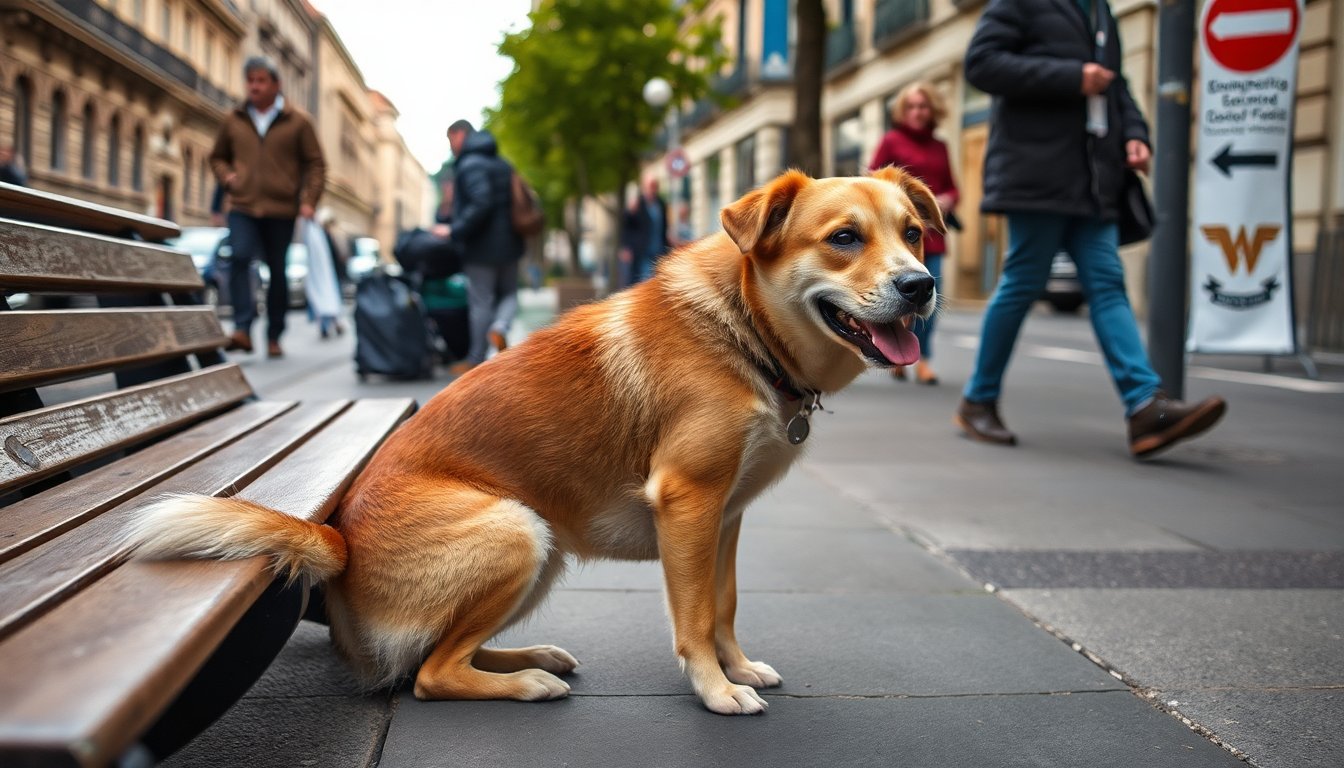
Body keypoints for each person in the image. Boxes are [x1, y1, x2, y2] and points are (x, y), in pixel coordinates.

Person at [958, 0, 1226, 459]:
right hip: (1038, 174)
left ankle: (1146, 406)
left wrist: (1135, 135)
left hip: (1094, 177)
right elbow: (982, 64)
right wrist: (1071, 77)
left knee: (1107, 282)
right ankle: (978, 400)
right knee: (1022, 283)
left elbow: (1115, 88)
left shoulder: (1100, 10)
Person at [209, 55, 326, 359]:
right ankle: (242, 329)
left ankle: (274, 335)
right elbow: (217, 156)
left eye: (261, 81)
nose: (255, 87)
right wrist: (227, 176)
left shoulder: (298, 121)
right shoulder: (234, 119)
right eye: (250, 81)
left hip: (281, 209)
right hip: (243, 205)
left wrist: (309, 201)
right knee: (239, 257)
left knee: (277, 271)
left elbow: (315, 164)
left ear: (276, 85)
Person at [869, 81, 959, 385]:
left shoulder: (941, 146)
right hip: (892, 235)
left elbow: (952, 186)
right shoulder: (891, 141)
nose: (918, 112)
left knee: (928, 301)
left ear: (931, 110)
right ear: (902, 111)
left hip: (931, 235)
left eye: (923, 106)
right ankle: (894, 352)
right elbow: (870, 179)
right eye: (911, 106)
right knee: (896, 297)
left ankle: (924, 361)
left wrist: (947, 199)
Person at [434, 119, 524, 376]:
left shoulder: (469, 164)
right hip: (510, 242)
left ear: (460, 134)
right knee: (509, 293)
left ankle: (475, 361)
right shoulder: (502, 164)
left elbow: (481, 203)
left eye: (450, 138)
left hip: (481, 247)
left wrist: (454, 229)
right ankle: (500, 327)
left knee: (481, 301)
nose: (451, 146)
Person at [619, 174, 671, 287]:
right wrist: (626, 247)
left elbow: (664, 227)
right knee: (644, 281)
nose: (653, 189)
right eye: (650, 186)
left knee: (657, 281)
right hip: (642, 250)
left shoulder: (661, 204)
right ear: (644, 187)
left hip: (659, 249)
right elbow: (627, 226)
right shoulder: (637, 204)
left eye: (655, 186)